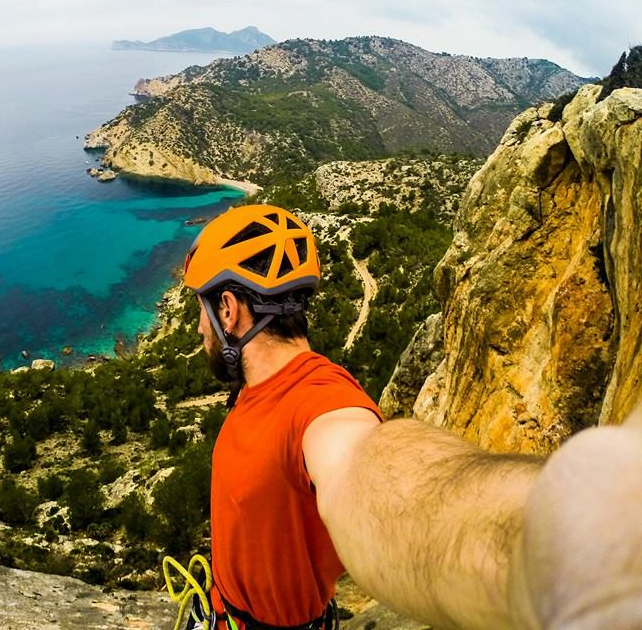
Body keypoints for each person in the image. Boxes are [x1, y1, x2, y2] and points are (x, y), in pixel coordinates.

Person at [182, 203, 642, 630]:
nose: (199, 327)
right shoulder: (264, 389)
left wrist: (566, 545)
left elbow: (374, 471)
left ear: (228, 309)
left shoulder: (318, 403)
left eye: (202, 311)